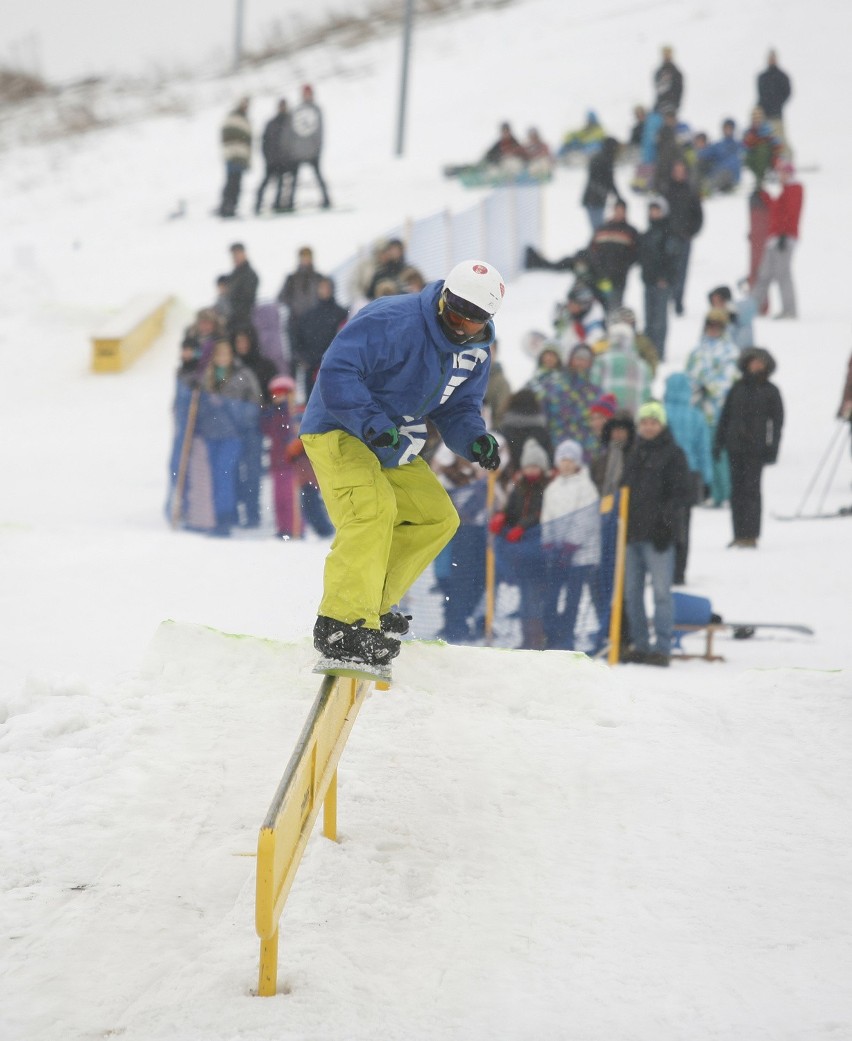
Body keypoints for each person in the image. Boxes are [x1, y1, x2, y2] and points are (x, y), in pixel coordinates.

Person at [299, 258, 506, 671]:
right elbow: (338, 370)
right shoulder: (395, 320)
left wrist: (475, 439)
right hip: (339, 426)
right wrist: (370, 422)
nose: (459, 325)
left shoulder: (476, 352)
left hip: (390, 441)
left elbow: (459, 407)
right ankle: (341, 623)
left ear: (486, 320)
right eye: (454, 312)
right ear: (444, 297)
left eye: (471, 321)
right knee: (373, 510)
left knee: (436, 517)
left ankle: (369, 607)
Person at [621, 401, 691, 666]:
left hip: (659, 537)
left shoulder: (674, 454)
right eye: (645, 422)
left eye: (654, 422)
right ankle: (640, 645)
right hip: (632, 536)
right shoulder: (635, 454)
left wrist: (667, 525)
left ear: (662, 425)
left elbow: (681, 495)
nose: (649, 427)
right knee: (632, 593)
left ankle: (662, 647)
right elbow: (624, 490)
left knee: (661, 592)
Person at [714, 347, 784, 548]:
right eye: (753, 361)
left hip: (756, 450)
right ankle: (738, 534)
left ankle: (751, 535)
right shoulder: (737, 388)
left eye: (760, 362)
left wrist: (773, 448)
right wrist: (719, 442)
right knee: (736, 492)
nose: (756, 365)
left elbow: (777, 423)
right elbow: (725, 417)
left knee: (751, 491)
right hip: (734, 447)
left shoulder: (771, 391)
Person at [541, 439, 603, 651]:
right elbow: (547, 516)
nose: (566, 464)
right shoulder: (553, 488)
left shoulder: (586, 487)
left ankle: (567, 636)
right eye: (563, 459)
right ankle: (551, 635)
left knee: (573, 598)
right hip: (556, 552)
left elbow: (585, 519)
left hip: (579, 555)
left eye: (570, 460)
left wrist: (570, 545)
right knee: (551, 596)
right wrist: (548, 542)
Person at [489, 438, 551, 650]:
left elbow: (539, 513)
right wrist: (502, 518)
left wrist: (522, 527)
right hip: (520, 553)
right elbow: (512, 510)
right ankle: (527, 638)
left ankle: (537, 639)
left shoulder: (546, 488)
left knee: (534, 596)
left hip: (538, 552)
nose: (531, 470)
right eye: (527, 466)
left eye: (535, 466)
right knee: (525, 597)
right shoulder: (519, 487)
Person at [199, 339, 263, 537]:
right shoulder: (207, 378)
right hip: (212, 433)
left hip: (233, 434)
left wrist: (230, 407)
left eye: (226, 355)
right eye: (219, 355)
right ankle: (223, 515)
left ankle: (225, 519)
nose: (222, 359)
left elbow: (254, 403)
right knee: (217, 476)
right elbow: (198, 406)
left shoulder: (242, 375)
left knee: (224, 474)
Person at [263, 375, 333, 540]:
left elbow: (304, 433)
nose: (278, 397)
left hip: (298, 464)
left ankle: (302, 529)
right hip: (279, 461)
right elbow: (268, 430)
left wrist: (296, 442)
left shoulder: (298, 411)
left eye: (283, 393)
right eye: (275, 393)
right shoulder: (273, 413)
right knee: (280, 498)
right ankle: (284, 528)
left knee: (299, 497)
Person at [685, 309, 740, 506]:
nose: (713, 330)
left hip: (722, 412)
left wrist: (708, 385)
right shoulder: (697, 351)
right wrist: (694, 390)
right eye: (710, 325)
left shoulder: (730, 351)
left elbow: (730, 379)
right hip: (700, 412)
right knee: (705, 453)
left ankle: (727, 493)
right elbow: (689, 376)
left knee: (722, 455)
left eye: (717, 326)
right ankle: (711, 493)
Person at [663, 372, 713, 584]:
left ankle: (662, 568)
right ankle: (679, 571)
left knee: (662, 522)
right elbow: (704, 449)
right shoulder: (696, 416)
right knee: (684, 523)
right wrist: (707, 480)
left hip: (663, 473)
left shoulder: (661, 414)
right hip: (689, 474)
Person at [751, 161, 804, 319]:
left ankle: (790, 310)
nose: (781, 176)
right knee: (765, 274)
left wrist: (783, 234)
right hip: (774, 238)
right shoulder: (786, 190)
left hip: (784, 238)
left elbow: (790, 214)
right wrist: (764, 195)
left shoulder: (794, 189)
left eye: (784, 173)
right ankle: (751, 308)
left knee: (783, 274)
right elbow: (777, 209)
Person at [290, 276, 348, 400]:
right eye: (321, 287)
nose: (324, 290)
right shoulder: (307, 316)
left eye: (327, 287)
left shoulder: (341, 313)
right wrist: (304, 359)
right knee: (315, 406)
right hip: (312, 370)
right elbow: (297, 342)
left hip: (336, 368)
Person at [279, 84, 331, 211]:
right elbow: (290, 131)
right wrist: (289, 148)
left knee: (318, 176)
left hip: (313, 151)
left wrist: (318, 148)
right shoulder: (297, 110)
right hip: (297, 151)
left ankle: (326, 200)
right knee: (294, 179)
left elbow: (320, 131)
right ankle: (290, 203)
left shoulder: (316, 110)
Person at [638, 195, 678, 360]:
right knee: (649, 319)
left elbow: (672, 258)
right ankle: (649, 352)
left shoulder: (669, 232)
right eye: (651, 210)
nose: (654, 213)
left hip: (662, 283)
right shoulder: (648, 233)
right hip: (648, 281)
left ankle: (658, 352)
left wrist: (665, 277)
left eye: (657, 210)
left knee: (659, 320)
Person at [664, 160, 703, 316]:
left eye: (682, 171)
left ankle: (678, 301)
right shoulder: (667, 191)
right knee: (668, 270)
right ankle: (668, 299)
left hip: (684, 238)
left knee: (681, 271)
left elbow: (698, 216)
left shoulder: (691, 192)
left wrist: (690, 232)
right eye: (676, 171)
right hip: (668, 237)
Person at [590, 320, 652, 416]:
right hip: (633, 416)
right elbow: (646, 395)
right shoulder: (642, 365)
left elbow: (593, 389)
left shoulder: (601, 361)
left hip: (607, 413)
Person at [588, 200, 639, 310]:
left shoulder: (630, 232)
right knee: (598, 309)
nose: (619, 213)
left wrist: (622, 266)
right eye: (617, 210)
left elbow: (635, 254)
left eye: (622, 210)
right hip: (600, 278)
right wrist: (598, 268)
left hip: (618, 280)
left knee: (614, 309)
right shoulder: (602, 229)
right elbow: (592, 250)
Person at [277, 246, 326, 340]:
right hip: (297, 323)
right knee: (298, 352)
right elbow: (281, 297)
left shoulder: (319, 278)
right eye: (303, 257)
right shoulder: (291, 279)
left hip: (316, 322)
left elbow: (325, 296)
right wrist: (294, 306)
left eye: (308, 257)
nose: (305, 260)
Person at [255, 99, 293, 215]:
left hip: (284, 160)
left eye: (284, 106)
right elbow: (264, 142)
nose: (282, 108)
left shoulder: (290, 122)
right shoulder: (271, 123)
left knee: (282, 184)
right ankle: (257, 204)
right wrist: (267, 157)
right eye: (281, 106)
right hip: (272, 160)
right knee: (265, 183)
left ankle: (278, 205)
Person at [581, 137, 624, 232]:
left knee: (598, 228)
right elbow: (608, 181)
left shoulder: (599, 158)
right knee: (598, 229)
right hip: (595, 199)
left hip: (594, 198)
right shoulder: (605, 160)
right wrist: (617, 196)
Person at [218, 97, 252, 219]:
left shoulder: (244, 118)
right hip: (232, 155)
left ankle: (231, 207)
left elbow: (247, 139)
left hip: (241, 156)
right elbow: (227, 134)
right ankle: (226, 207)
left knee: (236, 183)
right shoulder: (234, 117)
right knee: (231, 183)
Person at [696, 118, 743, 197]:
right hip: (718, 173)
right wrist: (700, 148)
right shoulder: (719, 145)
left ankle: (705, 190)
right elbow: (704, 153)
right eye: (726, 128)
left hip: (731, 174)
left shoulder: (738, 144)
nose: (728, 130)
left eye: (730, 128)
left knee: (724, 173)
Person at [757, 49, 792, 153]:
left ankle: (786, 161)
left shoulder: (782, 76)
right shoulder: (763, 77)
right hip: (764, 115)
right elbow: (760, 94)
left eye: (773, 58)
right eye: (770, 58)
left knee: (780, 140)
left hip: (776, 115)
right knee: (765, 140)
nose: (772, 60)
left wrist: (778, 103)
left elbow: (787, 92)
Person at [707, 283, 757, 350]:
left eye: (718, 301)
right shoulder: (711, 321)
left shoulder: (738, 319)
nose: (717, 307)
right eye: (713, 303)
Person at [742, 106, 783, 188]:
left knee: (762, 149)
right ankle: (759, 176)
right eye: (755, 117)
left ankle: (760, 177)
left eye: (759, 116)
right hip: (753, 155)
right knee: (748, 158)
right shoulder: (749, 131)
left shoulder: (767, 129)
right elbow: (744, 145)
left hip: (766, 155)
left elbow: (776, 142)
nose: (757, 119)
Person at [225, 243, 259, 335]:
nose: (235, 257)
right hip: (233, 319)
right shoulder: (234, 274)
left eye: (237, 254)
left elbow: (246, 301)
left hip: (242, 321)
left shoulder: (250, 275)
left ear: (244, 254)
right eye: (233, 255)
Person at [653, 45, 684, 115]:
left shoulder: (675, 72)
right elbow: (657, 89)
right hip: (660, 104)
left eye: (668, 53)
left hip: (672, 104)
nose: (666, 56)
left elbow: (679, 88)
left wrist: (676, 103)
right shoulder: (659, 71)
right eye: (664, 54)